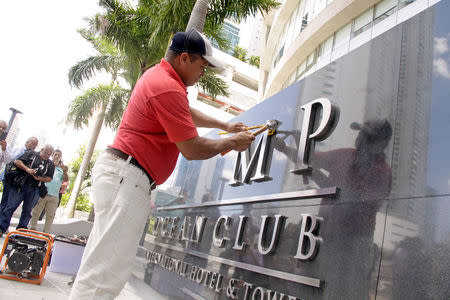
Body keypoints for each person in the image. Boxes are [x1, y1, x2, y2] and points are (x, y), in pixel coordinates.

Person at [69, 28, 254, 299]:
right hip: (129, 179)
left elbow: (184, 112)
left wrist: (223, 124)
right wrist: (231, 142)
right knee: (106, 273)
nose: (203, 73)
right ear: (184, 59)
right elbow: (192, 149)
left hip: (124, 175)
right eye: (202, 66)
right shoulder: (166, 86)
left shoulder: (161, 77)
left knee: (101, 264)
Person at [0, 144, 54, 235]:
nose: (47, 155)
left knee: (27, 211)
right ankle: (2, 228)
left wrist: (40, 178)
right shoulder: (31, 154)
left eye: (49, 154)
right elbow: (17, 161)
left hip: (34, 189)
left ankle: (21, 232)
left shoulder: (50, 164)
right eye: (45, 153)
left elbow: (49, 178)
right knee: (10, 207)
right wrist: (28, 169)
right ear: (41, 149)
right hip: (20, 185)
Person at [29, 149, 68, 233]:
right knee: (36, 212)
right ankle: (31, 230)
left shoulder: (62, 168)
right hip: (43, 193)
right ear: (52, 155)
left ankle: (46, 233)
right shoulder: (47, 164)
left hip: (54, 196)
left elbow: (65, 179)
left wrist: (64, 170)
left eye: (59, 155)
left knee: (50, 216)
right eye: (55, 154)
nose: (57, 156)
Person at [0, 137, 39, 212]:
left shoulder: (31, 154)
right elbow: (10, 160)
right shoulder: (20, 150)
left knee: (8, 202)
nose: (34, 147)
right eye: (33, 144)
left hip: (16, 180)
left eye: (35, 146)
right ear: (27, 142)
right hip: (9, 178)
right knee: (5, 200)